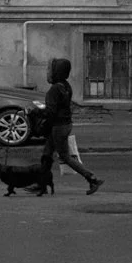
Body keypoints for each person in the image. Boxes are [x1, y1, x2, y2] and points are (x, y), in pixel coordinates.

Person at [40, 56, 102, 194]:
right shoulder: (66, 86)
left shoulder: (54, 90)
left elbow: (51, 112)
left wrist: (36, 114)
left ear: (57, 72)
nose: (48, 72)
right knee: (46, 154)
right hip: (65, 124)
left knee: (64, 157)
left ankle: (92, 178)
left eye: (51, 69)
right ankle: (41, 184)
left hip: (58, 126)